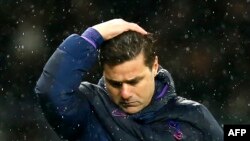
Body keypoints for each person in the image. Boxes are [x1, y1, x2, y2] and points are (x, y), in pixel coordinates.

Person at [35, 19, 223, 141]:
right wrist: (93, 35)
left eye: (134, 82)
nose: (125, 94)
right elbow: (50, 91)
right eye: (115, 83)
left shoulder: (194, 116)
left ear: (155, 66)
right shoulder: (90, 107)